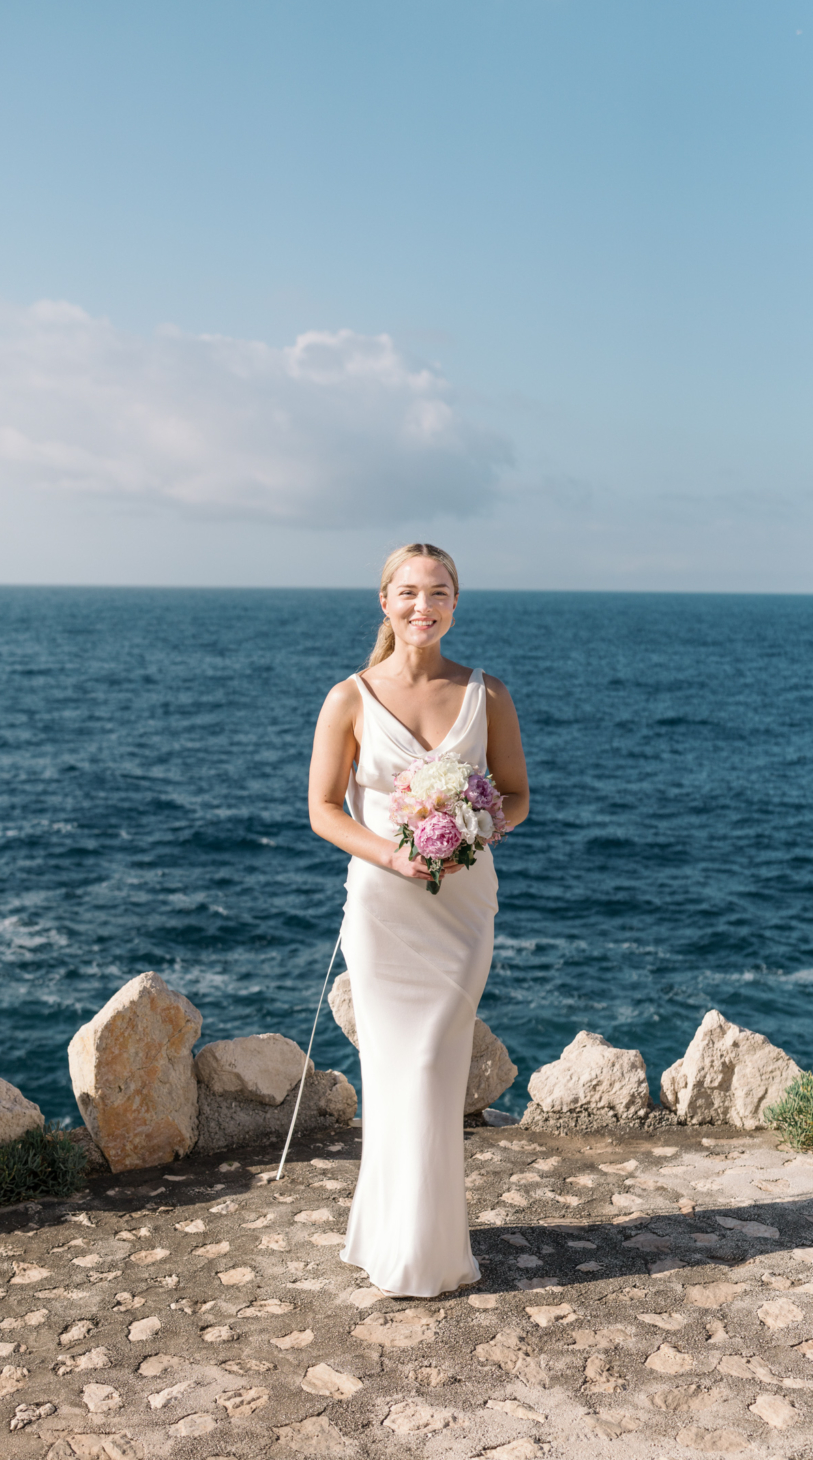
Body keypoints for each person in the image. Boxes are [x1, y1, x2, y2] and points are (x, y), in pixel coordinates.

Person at [308, 542, 529, 1297]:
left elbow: (519, 794)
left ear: (455, 604)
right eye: (408, 592)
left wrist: (476, 830)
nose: (422, 606)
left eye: (438, 593)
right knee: (392, 1072)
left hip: (463, 909)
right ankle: (391, 1238)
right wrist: (391, 855)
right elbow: (323, 810)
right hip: (383, 909)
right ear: (385, 602)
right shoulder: (349, 697)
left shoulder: (488, 694)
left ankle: (426, 1246)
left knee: (435, 1064)